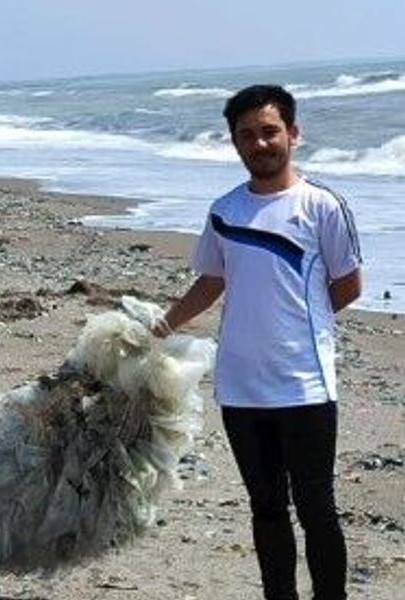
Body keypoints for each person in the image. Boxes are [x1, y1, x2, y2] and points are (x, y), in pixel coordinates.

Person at [152, 85, 361, 599]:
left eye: (269, 131)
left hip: (304, 384)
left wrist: (297, 328)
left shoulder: (322, 205)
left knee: (317, 509)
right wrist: (163, 326)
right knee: (265, 507)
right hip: (240, 389)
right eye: (247, 135)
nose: (260, 143)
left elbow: (348, 283)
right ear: (235, 144)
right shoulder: (225, 210)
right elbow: (211, 280)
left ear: (292, 133)